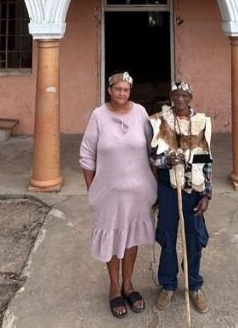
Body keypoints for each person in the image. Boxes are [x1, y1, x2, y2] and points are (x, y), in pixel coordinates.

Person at [80, 71, 158, 319]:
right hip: (108, 194)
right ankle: (114, 287)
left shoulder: (140, 113)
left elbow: (152, 150)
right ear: (109, 90)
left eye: (126, 90)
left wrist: (154, 183)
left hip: (138, 192)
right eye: (118, 89)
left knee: (131, 238)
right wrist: (93, 188)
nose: (122, 94)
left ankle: (129, 284)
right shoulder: (98, 116)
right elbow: (86, 155)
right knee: (113, 240)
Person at [149, 80, 212, 314]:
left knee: (194, 240)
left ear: (190, 97)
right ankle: (168, 284)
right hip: (168, 190)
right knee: (167, 236)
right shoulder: (158, 121)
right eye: (176, 95)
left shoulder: (202, 122)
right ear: (170, 96)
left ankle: (193, 285)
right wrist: (167, 160)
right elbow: (152, 158)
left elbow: (206, 160)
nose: (180, 99)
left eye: (184, 95)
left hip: (193, 191)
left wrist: (206, 194)